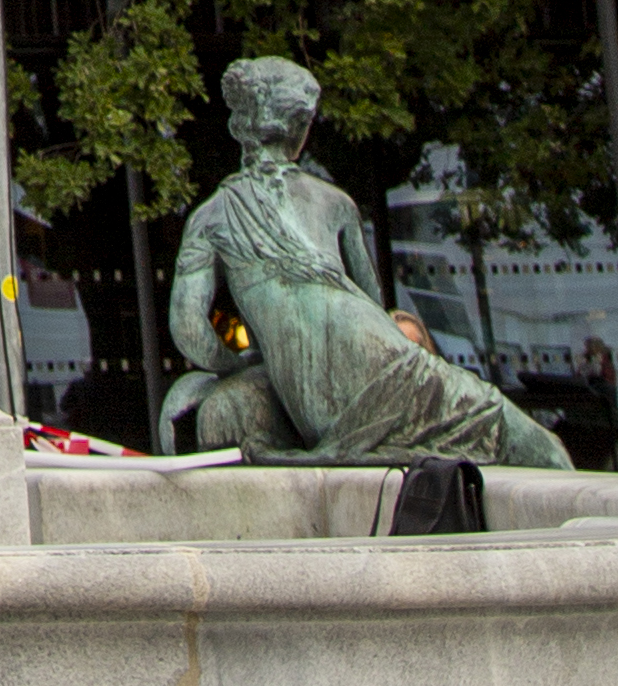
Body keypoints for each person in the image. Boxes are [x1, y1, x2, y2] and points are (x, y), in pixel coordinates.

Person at [161, 61, 571, 472]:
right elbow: (377, 311)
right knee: (536, 446)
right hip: (384, 370)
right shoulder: (335, 203)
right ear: (300, 125)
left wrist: (247, 359)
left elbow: (190, 331)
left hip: (328, 403)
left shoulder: (209, 218)